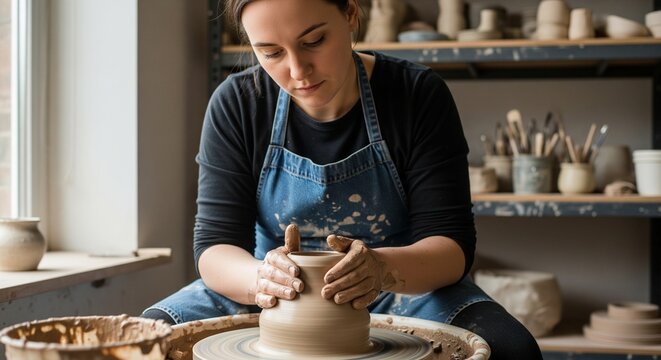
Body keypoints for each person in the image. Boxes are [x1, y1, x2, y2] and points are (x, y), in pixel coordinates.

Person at [143, 0, 543, 358]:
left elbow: (452, 246)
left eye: (313, 41)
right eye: (270, 52)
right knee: (147, 342)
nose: (298, 71)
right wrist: (262, 279)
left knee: (511, 350)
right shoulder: (238, 104)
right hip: (271, 292)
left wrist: (381, 269)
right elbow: (215, 246)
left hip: (398, 288)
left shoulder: (418, 94)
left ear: (351, 14)